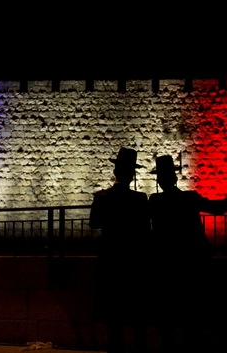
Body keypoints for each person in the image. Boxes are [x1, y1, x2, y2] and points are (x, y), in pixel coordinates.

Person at [148, 154, 227, 352]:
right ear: (175, 178)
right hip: (191, 267)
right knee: (191, 320)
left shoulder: (154, 201)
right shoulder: (189, 198)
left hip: (166, 269)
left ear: (159, 180)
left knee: (167, 324)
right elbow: (218, 208)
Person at [89, 147, 150, 353]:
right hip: (134, 261)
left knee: (113, 316)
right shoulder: (140, 199)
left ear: (115, 172)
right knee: (137, 315)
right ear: (132, 174)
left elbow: (94, 223)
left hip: (110, 260)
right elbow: (145, 231)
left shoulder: (102, 197)